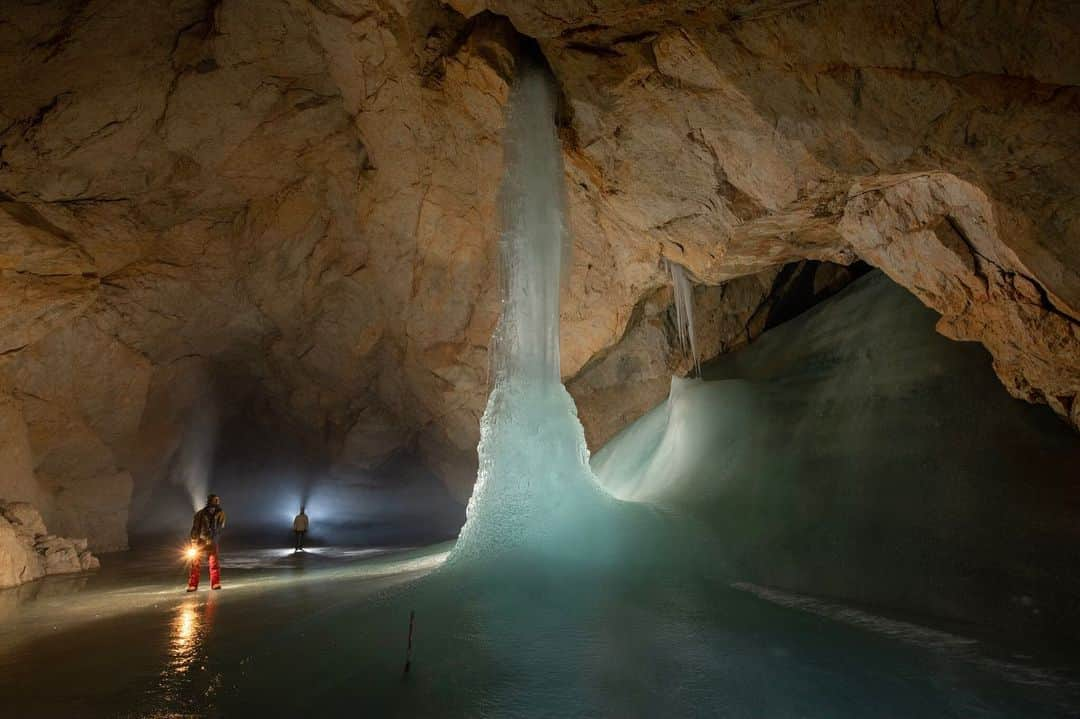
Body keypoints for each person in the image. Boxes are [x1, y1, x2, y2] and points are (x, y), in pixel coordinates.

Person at [187, 494, 226, 592]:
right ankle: (193, 584)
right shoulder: (200, 514)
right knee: (195, 563)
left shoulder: (220, 513)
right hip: (200, 541)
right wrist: (194, 543)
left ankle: (215, 583)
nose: (216, 502)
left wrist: (214, 539)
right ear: (209, 501)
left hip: (212, 541)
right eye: (214, 500)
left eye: (217, 500)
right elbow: (195, 529)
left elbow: (220, 529)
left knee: (214, 563)